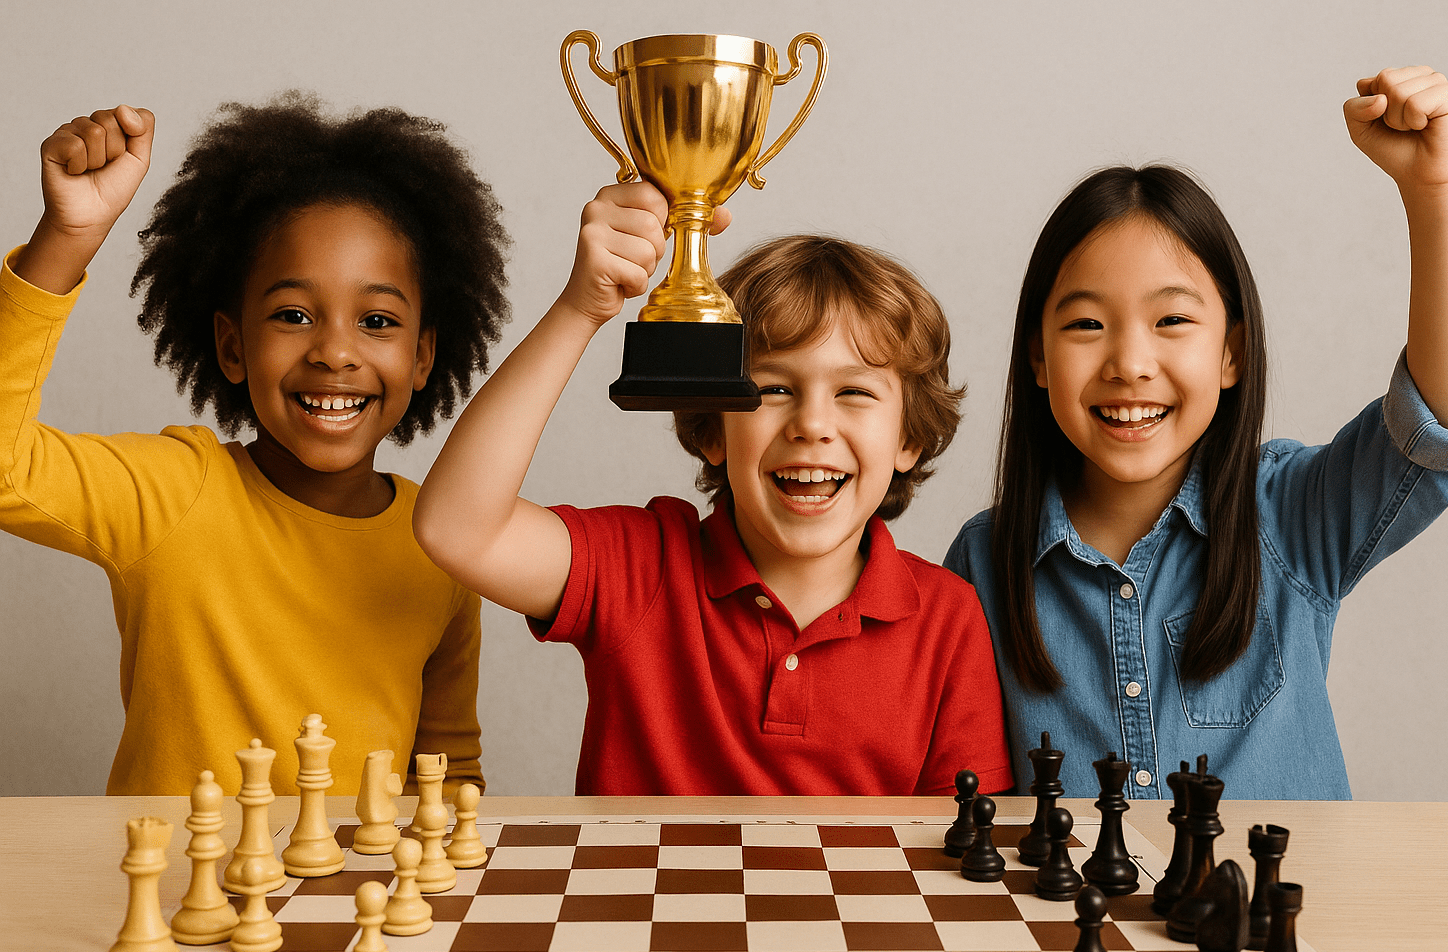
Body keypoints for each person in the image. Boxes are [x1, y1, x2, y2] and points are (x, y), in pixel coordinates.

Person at [945, 67, 1448, 799]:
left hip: (1285, 915)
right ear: (1037, 357)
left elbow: (1447, 425)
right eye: (1086, 324)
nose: (1128, 363)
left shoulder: (1289, 515)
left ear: (1231, 354)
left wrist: (1434, 193)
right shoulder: (983, 562)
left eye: (1172, 320)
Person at [414, 183, 1011, 796]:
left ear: (909, 439)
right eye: (772, 389)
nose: (811, 425)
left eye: (853, 392)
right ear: (712, 429)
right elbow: (457, 529)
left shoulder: (947, 618)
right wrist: (579, 310)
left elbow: (959, 847)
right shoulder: (641, 569)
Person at [0, 98, 512, 795]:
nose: (335, 351)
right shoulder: (175, 495)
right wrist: (64, 239)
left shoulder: (443, 539)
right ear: (232, 346)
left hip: (355, 904)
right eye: (293, 315)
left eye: (377, 320)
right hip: (177, 901)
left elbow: (447, 769)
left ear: (423, 357)